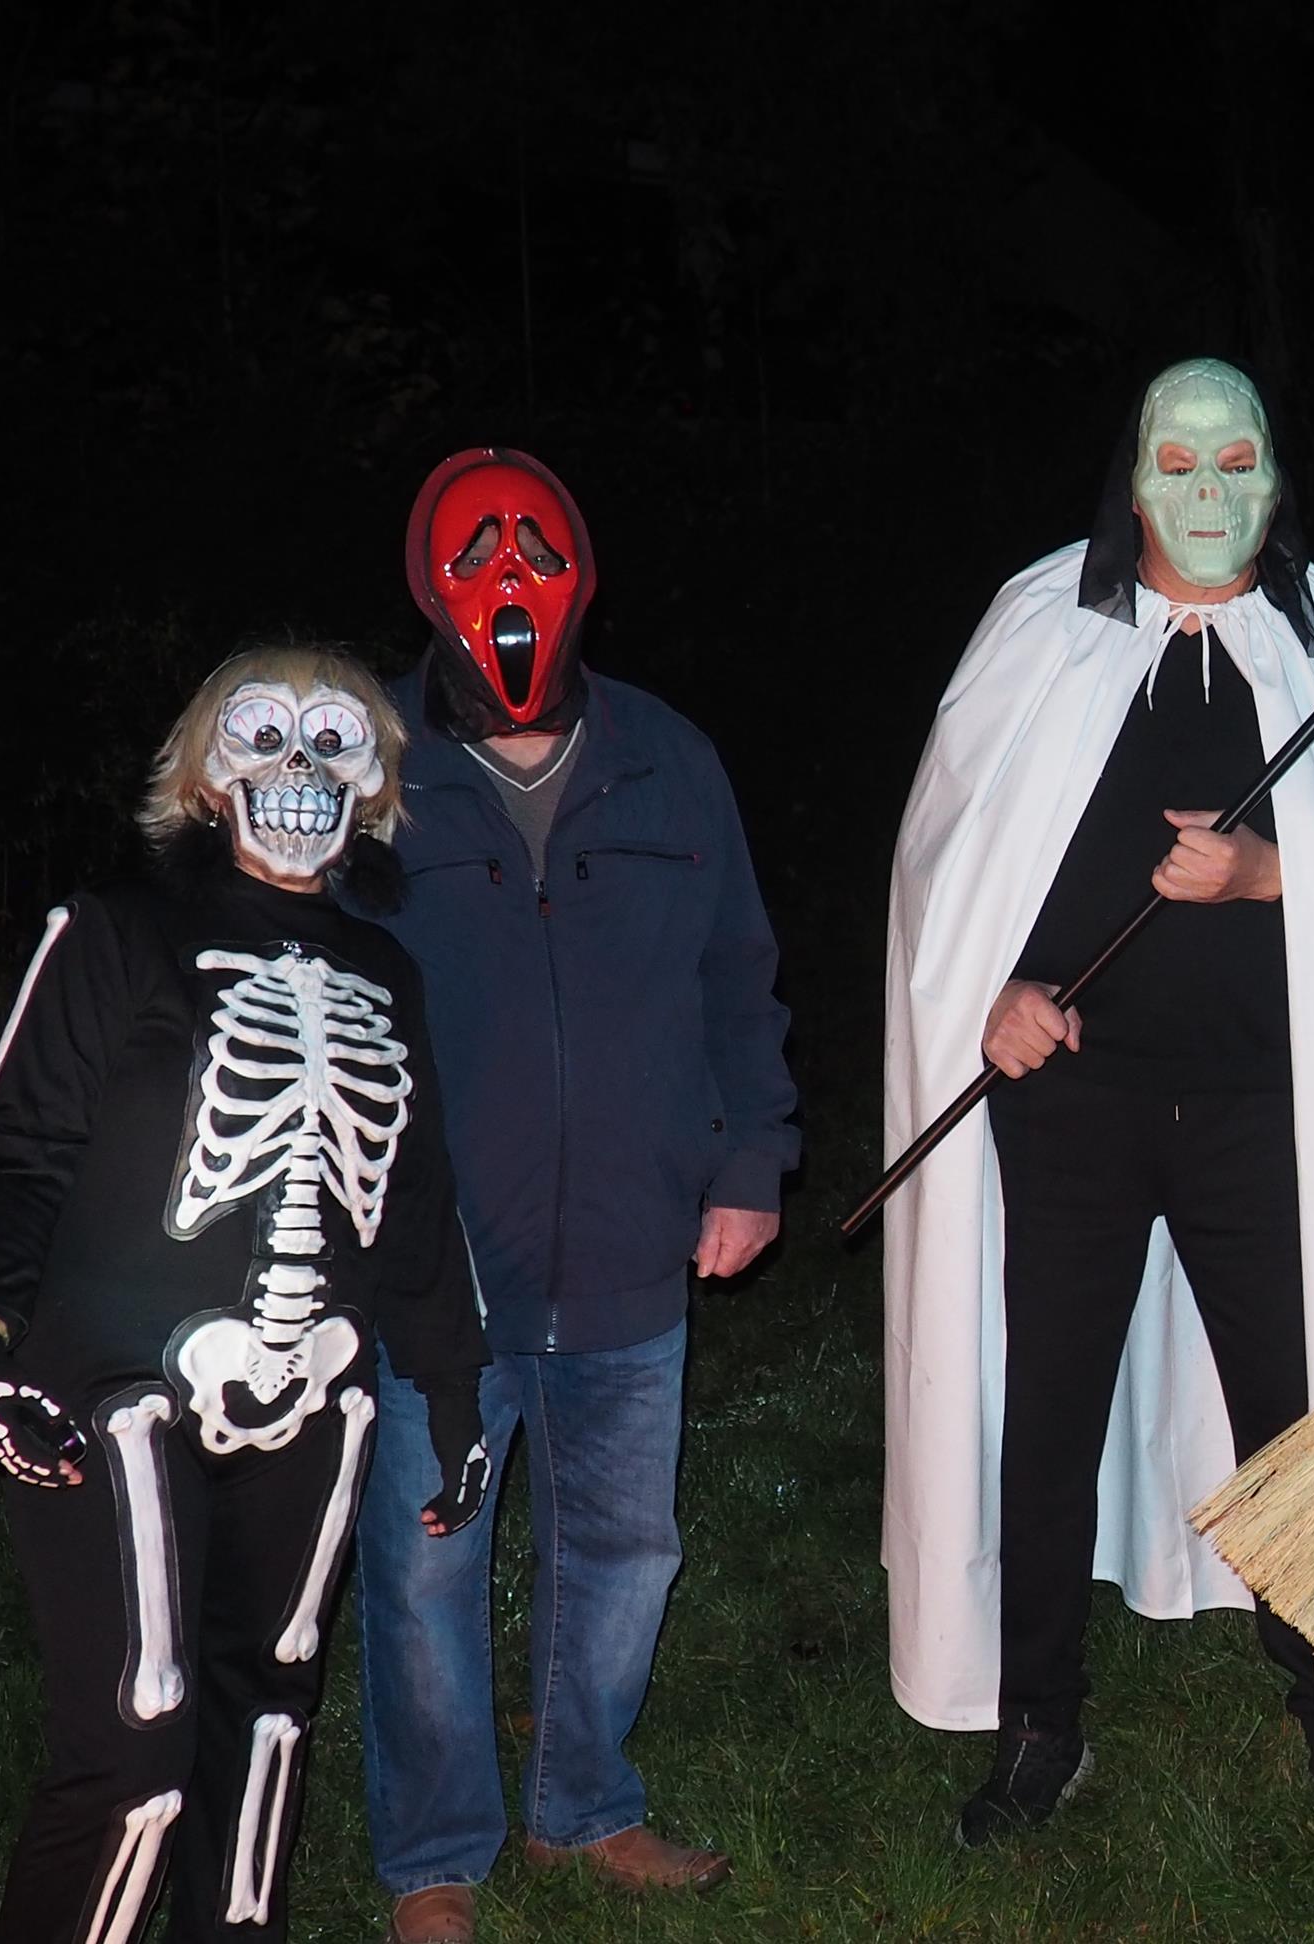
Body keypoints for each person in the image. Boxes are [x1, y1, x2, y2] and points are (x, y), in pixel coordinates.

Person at [880, 357, 1314, 1854]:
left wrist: (1271, 873)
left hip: (1268, 1110)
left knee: (1308, 1408)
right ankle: (1039, 1718)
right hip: (1074, 1106)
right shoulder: (1045, 625)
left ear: (1275, 477)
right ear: (1132, 480)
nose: (1209, 493)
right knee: (1044, 1410)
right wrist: (996, 998)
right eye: (1180, 463)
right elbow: (954, 864)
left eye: (1237, 462)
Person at [0, 644, 490, 1943]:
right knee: (137, 1742)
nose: (299, 768)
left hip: (317, 1394)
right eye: (262, 736)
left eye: (335, 742)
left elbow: (414, 1203)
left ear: (377, 789)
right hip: (110, 1394)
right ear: (200, 774)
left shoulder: (387, 975)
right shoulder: (116, 935)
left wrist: (453, 1387)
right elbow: (16, 1145)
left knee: (269, 1713)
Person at [355, 448, 800, 1944]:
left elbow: (740, 975)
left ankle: (583, 1805)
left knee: (623, 1550)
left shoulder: (668, 758)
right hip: (437, 1263)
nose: (511, 576)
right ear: (429, 586)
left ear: (584, 573)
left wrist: (749, 1162)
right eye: (475, 551)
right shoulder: (361, 769)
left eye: (537, 549)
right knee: (427, 1564)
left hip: (630, 1230)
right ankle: (434, 1854)